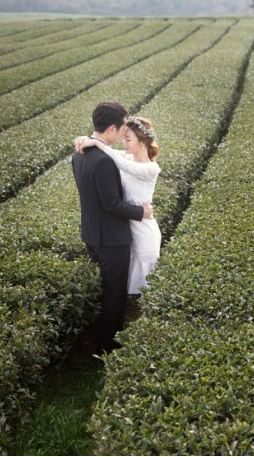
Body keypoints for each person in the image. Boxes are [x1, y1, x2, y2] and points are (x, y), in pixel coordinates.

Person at [72, 102, 153, 353]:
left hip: (91, 233)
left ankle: (96, 338)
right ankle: (108, 346)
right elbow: (111, 204)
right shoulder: (104, 160)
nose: (121, 136)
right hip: (112, 238)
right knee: (113, 294)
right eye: (120, 131)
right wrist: (142, 212)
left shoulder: (79, 152)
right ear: (111, 128)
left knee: (101, 288)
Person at [75, 115, 161, 297]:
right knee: (127, 278)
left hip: (143, 227)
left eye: (128, 139)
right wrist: (85, 139)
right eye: (123, 138)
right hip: (126, 224)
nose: (124, 143)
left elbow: (117, 161)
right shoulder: (126, 157)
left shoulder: (151, 168)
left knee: (145, 277)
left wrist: (98, 144)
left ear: (143, 142)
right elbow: (115, 157)